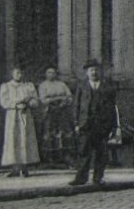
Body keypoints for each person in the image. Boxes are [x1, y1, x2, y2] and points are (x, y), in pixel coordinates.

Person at [70, 59, 119, 187]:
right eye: (91, 70)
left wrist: (113, 126)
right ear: (87, 72)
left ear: (100, 71)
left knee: (101, 153)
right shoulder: (82, 86)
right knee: (83, 151)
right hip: (85, 123)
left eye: (96, 70)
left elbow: (112, 107)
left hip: (101, 125)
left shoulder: (107, 86)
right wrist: (76, 123)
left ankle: (98, 178)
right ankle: (81, 178)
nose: (94, 73)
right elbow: (77, 105)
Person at [0, 65, 40, 177]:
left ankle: (24, 167)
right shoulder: (6, 86)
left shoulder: (28, 86)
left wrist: (28, 103)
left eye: (21, 73)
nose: (19, 75)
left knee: (25, 138)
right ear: (12, 74)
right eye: (16, 73)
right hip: (13, 116)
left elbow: (36, 101)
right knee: (13, 139)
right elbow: (4, 102)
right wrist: (17, 103)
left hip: (25, 116)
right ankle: (14, 167)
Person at [37, 66, 75, 167]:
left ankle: (65, 156)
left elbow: (69, 97)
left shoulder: (61, 84)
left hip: (62, 112)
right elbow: (43, 100)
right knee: (49, 133)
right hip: (50, 112)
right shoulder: (43, 85)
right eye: (49, 72)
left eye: (53, 72)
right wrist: (57, 99)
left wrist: (63, 102)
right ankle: (50, 158)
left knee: (64, 133)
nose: (51, 74)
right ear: (46, 74)